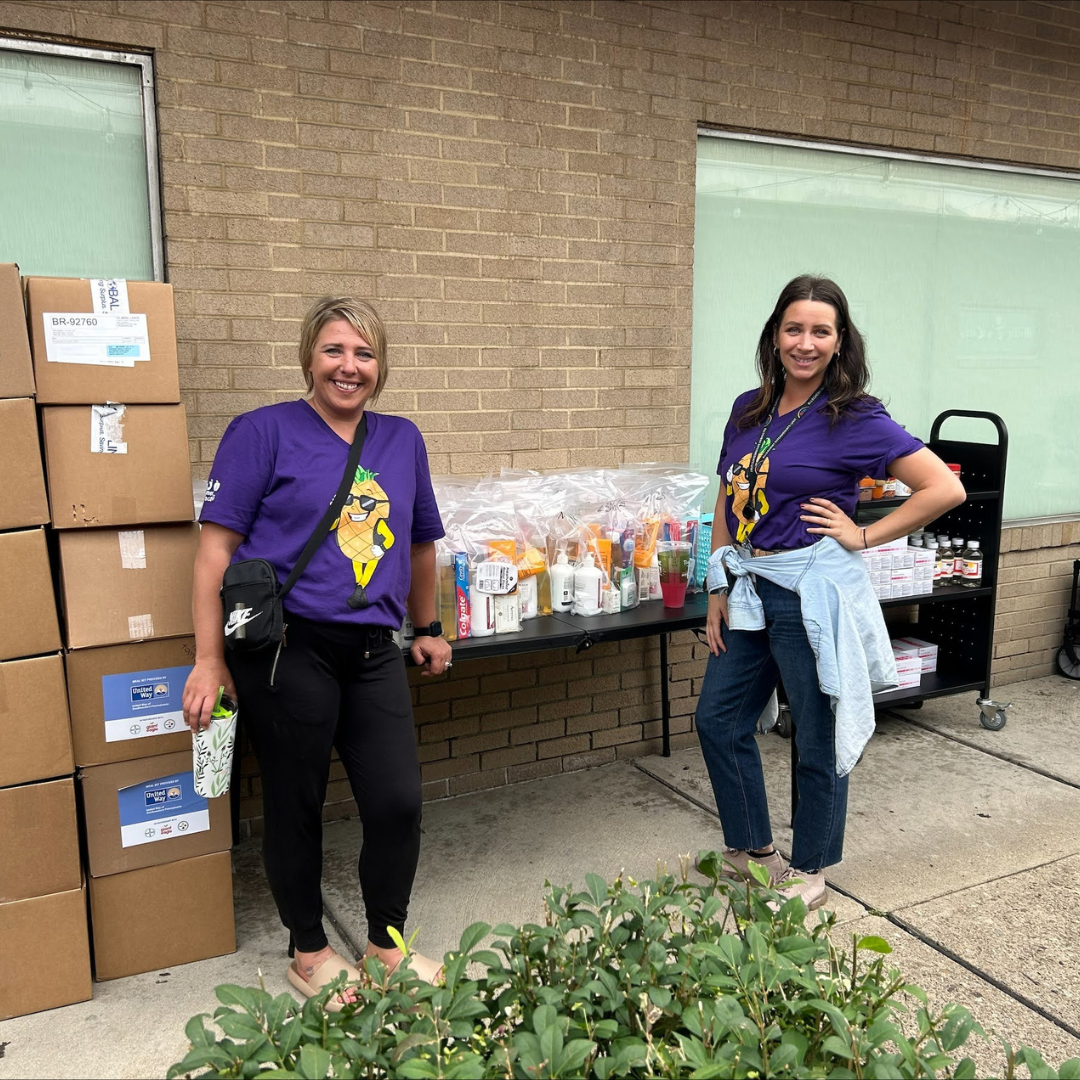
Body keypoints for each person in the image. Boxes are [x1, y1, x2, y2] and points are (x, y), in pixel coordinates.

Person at [182, 296, 452, 1008]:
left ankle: (385, 947)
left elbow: (420, 543)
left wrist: (427, 628)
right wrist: (209, 660)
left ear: (381, 366)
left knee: (396, 801)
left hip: (373, 649)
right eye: (334, 350)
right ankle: (309, 951)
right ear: (309, 356)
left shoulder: (402, 439)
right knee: (296, 803)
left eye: (364, 353)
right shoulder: (261, 432)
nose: (348, 366)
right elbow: (214, 553)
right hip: (286, 649)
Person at [696, 275, 965, 910]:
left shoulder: (856, 417)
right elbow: (728, 496)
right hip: (749, 587)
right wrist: (717, 584)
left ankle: (811, 869)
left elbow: (944, 488)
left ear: (840, 341)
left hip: (810, 592)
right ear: (775, 335)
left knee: (817, 734)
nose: (805, 343)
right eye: (794, 328)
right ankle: (754, 850)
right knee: (718, 719)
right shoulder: (749, 408)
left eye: (821, 331)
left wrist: (863, 535)